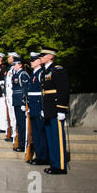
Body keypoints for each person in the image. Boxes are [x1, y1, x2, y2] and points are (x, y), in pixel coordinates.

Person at [40, 46, 70, 174]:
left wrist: (62, 109)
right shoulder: (45, 71)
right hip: (47, 108)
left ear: (50, 56)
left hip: (56, 108)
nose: (41, 57)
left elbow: (63, 90)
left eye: (43, 55)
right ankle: (54, 163)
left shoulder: (57, 70)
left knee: (58, 138)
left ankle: (60, 165)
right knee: (51, 138)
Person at [27, 52, 49, 166]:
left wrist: (42, 108)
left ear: (39, 61)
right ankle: (39, 155)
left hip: (39, 106)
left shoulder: (41, 74)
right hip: (33, 107)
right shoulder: (33, 74)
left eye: (33, 60)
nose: (31, 62)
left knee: (41, 133)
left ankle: (43, 157)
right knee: (35, 133)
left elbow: (43, 92)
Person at [11, 57, 30, 152]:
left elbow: (25, 89)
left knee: (22, 124)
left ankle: (23, 144)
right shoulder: (16, 74)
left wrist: (24, 102)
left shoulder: (23, 74)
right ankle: (21, 143)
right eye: (13, 64)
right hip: (16, 101)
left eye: (15, 64)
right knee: (19, 123)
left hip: (20, 102)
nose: (14, 66)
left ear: (20, 65)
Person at [5, 52, 19, 143]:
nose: (8, 59)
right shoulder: (10, 69)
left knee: (14, 115)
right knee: (11, 115)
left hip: (13, 93)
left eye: (9, 57)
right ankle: (13, 134)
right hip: (9, 93)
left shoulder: (14, 69)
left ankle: (16, 135)